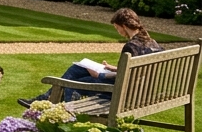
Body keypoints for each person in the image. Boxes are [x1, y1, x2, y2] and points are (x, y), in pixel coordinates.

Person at [21, 8, 164, 106]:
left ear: (124, 25)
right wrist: (111, 68)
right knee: (78, 68)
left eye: (117, 28)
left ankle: (59, 111)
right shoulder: (153, 43)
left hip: (122, 92)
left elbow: (124, 76)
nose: (118, 31)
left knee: (72, 82)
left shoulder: (131, 46)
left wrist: (100, 75)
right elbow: (133, 71)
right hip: (138, 90)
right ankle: (46, 98)